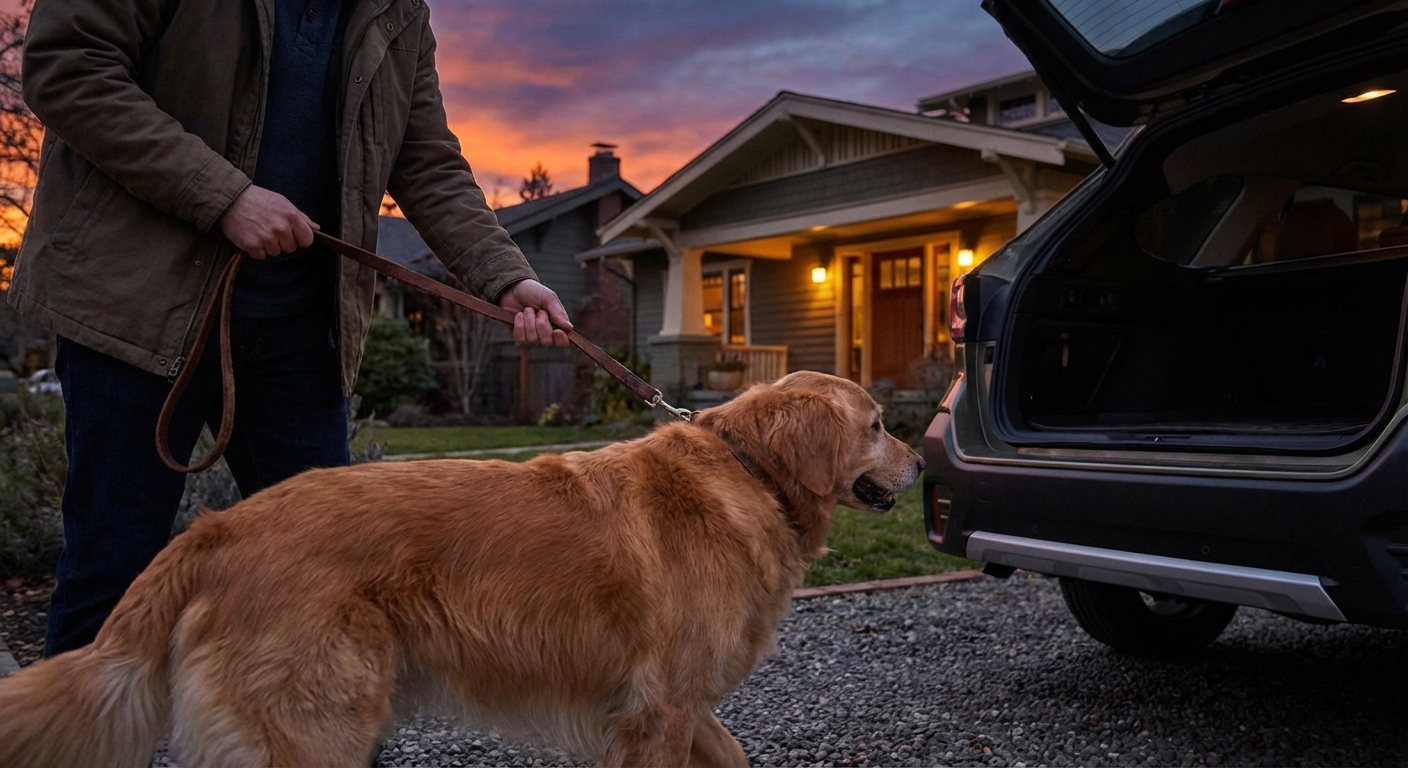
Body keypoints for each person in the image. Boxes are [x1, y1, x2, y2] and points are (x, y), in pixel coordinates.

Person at [7, 0, 573, 656]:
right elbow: (67, 69)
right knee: (113, 580)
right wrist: (225, 197)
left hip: (300, 334)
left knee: (336, 582)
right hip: (135, 315)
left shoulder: (400, 14)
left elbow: (426, 161)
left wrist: (505, 276)